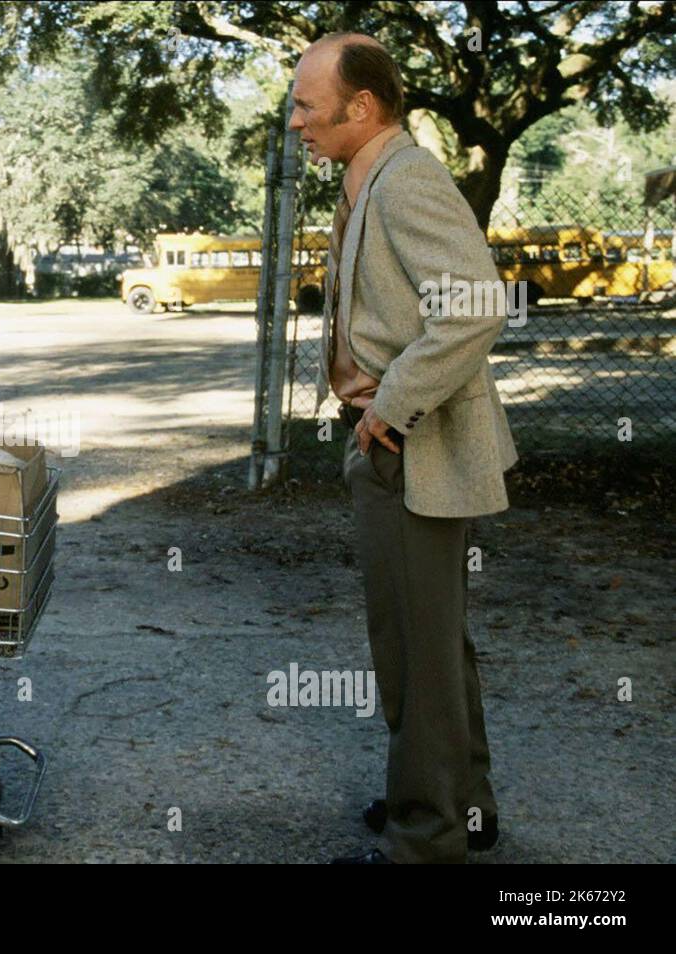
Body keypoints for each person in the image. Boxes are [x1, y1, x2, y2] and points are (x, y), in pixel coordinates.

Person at [290, 33, 518, 865]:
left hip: (410, 449)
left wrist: (388, 411)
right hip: (395, 444)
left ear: (363, 107)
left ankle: (426, 837)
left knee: (415, 653)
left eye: (308, 107)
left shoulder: (408, 177)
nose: (295, 123)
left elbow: (474, 305)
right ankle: (465, 809)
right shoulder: (374, 176)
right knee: (433, 643)